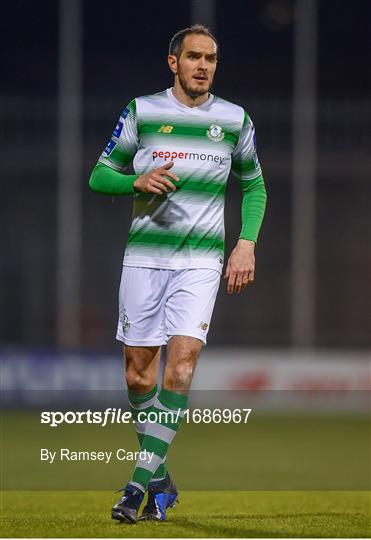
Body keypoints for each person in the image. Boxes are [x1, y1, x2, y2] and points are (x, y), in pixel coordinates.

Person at [89, 24, 267, 523]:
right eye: (194, 57)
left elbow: (255, 186)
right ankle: (162, 479)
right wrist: (134, 180)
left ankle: (135, 487)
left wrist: (245, 245)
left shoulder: (233, 120)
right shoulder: (142, 111)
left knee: (182, 364)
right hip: (144, 260)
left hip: (201, 263)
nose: (204, 66)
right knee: (138, 374)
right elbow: (99, 175)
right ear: (174, 63)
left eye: (211, 58)